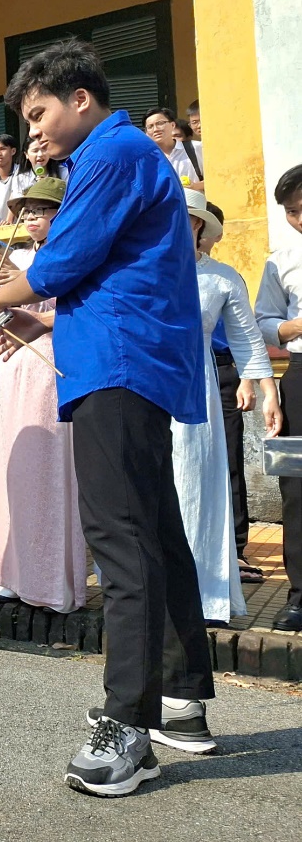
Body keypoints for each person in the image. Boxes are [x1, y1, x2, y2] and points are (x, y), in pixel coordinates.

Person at [0, 39, 213, 797]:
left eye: (39, 113)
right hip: (126, 355)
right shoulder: (120, 159)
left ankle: (128, 725)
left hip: (119, 362)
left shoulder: (112, 154)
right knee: (156, 533)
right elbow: (105, 271)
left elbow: (63, 261)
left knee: (121, 541)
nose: (33, 132)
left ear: (81, 98)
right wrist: (36, 317)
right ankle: (180, 698)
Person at [0, 178, 84, 613]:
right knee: (6, 464)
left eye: (42, 208)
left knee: (44, 467)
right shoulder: (13, 257)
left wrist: (26, 288)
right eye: (26, 209)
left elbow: (77, 311)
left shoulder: (74, 254)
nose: (31, 216)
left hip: (51, 364)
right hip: (10, 365)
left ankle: (48, 577)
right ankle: (6, 568)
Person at [174, 189, 279, 626]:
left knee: (196, 482)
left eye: (180, 217)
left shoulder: (221, 277)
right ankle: (149, 593)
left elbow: (248, 338)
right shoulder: (137, 270)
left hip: (196, 386)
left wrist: (267, 388)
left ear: (199, 225)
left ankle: (203, 594)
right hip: (143, 383)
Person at [253, 162, 302, 632]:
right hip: (301, 374)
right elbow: (263, 320)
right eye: (292, 211)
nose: (301, 218)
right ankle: (301, 595)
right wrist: (293, 328)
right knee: (298, 487)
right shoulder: (281, 260)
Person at [145, 107, 203, 192]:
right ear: (146, 133)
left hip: (196, 203)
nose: (156, 129)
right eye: (150, 126)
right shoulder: (145, 159)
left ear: (172, 125)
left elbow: (216, 179)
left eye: (160, 123)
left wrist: (195, 186)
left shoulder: (196, 148)